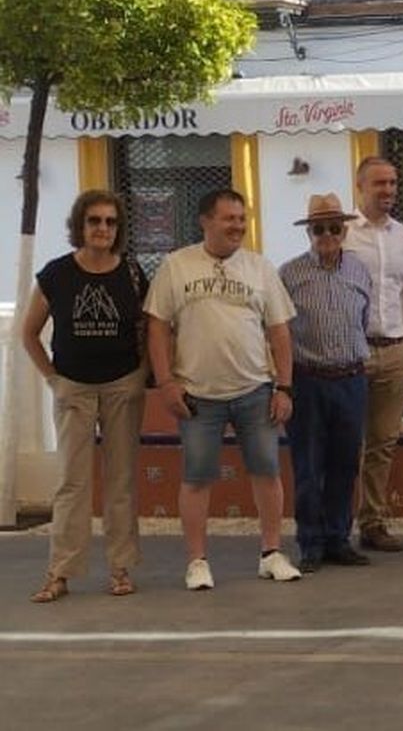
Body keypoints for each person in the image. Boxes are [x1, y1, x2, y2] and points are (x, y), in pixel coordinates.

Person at [145, 188, 301, 590]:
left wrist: (284, 387)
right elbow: (158, 327)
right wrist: (165, 382)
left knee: (267, 472)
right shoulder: (175, 266)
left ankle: (271, 553)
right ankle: (197, 562)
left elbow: (280, 331)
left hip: (255, 391)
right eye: (229, 218)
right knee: (196, 477)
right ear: (205, 221)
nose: (238, 226)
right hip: (197, 395)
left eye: (241, 218)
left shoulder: (260, 268)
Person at [21, 191, 147, 602]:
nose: (102, 229)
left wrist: (142, 374)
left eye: (110, 222)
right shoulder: (56, 274)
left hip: (122, 386)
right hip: (73, 387)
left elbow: (149, 327)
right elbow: (28, 333)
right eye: (94, 221)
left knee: (121, 481)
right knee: (71, 483)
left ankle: (121, 569)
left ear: (118, 229)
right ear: (80, 225)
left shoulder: (131, 272)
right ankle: (60, 572)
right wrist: (53, 379)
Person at [279, 194, 373, 572]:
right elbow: (279, 330)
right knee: (308, 466)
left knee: (345, 465)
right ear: (309, 233)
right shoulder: (288, 274)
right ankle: (311, 544)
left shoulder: (360, 271)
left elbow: (363, 319)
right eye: (320, 228)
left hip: (351, 379)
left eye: (335, 227)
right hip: (308, 381)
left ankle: (338, 538)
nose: (328, 234)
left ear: (345, 230)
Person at [344, 155, 403, 554]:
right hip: (352, 354)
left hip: (394, 350)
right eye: (380, 183)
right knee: (345, 441)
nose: (389, 190)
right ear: (361, 187)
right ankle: (335, 525)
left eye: (393, 183)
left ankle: (372, 522)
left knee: (383, 442)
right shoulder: (342, 233)